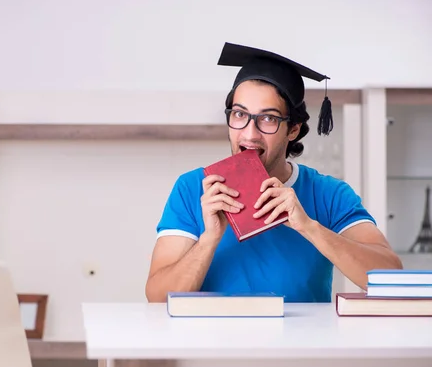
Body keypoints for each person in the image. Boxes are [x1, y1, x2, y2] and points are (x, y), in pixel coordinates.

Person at [145, 42, 402, 303]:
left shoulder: (329, 194)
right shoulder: (192, 189)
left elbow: (390, 277)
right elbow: (156, 297)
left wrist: (309, 227)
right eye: (239, 114)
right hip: (215, 341)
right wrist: (208, 240)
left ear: (293, 129)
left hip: (303, 342)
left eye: (268, 119)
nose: (249, 133)